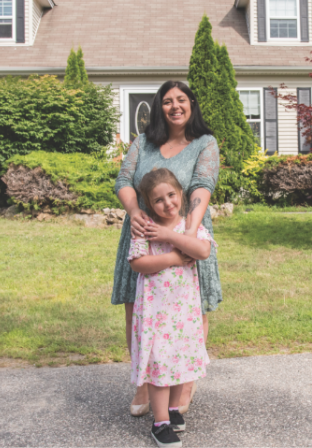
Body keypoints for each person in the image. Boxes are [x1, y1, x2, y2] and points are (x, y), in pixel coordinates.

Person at [113, 80, 222, 416]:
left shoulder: (205, 143)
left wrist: (187, 233)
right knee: (138, 309)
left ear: (192, 103)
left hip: (186, 228)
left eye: (182, 100)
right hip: (143, 233)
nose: (175, 106)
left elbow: (202, 186)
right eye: (167, 101)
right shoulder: (143, 142)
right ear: (159, 107)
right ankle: (144, 384)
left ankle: (184, 387)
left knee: (192, 309)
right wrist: (134, 213)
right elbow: (124, 180)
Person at [128, 168, 215, 448]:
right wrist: (175, 260)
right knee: (159, 363)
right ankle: (160, 422)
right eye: (158, 200)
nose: (167, 203)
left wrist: (170, 238)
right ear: (148, 205)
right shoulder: (144, 228)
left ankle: (174, 410)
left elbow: (202, 251)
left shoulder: (190, 226)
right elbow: (137, 263)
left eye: (171, 195)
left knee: (180, 359)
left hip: (183, 311)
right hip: (155, 312)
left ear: (180, 194)